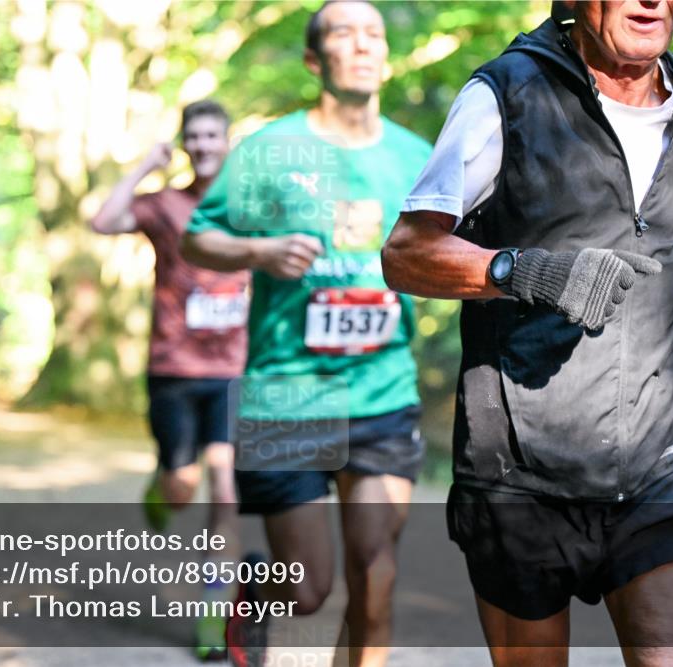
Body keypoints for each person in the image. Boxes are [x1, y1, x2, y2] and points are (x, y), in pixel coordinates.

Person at [382, 2, 673, 666]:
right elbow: (407, 252)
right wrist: (525, 270)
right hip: (522, 472)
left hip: (654, 466)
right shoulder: (506, 94)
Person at [182, 2, 431, 666]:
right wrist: (258, 253)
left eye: (374, 34)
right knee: (308, 588)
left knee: (375, 575)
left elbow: (452, 251)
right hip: (288, 393)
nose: (363, 45)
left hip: (381, 391)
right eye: (344, 35)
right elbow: (197, 236)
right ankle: (254, 590)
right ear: (314, 61)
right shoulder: (270, 149)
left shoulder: (418, 157)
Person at [90, 99, 250, 662]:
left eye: (213, 135)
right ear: (184, 144)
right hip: (174, 370)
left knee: (226, 492)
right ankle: (160, 488)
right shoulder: (163, 204)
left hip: (234, 371)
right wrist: (141, 168)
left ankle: (212, 614)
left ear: (227, 142)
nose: (205, 145)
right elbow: (103, 221)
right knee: (184, 488)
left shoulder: (251, 205)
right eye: (195, 137)